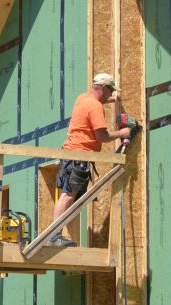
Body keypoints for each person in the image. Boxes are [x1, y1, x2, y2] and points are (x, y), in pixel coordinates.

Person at [48, 73, 132, 247]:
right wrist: (122, 133)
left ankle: (56, 235)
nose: (111, 95)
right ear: (102, 88)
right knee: (68, 196)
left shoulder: (83, 98)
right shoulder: (95, 107)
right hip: (80, 156)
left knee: (71, 197)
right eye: (110, 91)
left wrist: (108, 99)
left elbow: (93, 104)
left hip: (70, 155)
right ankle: (54, 235)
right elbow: (102, 136)